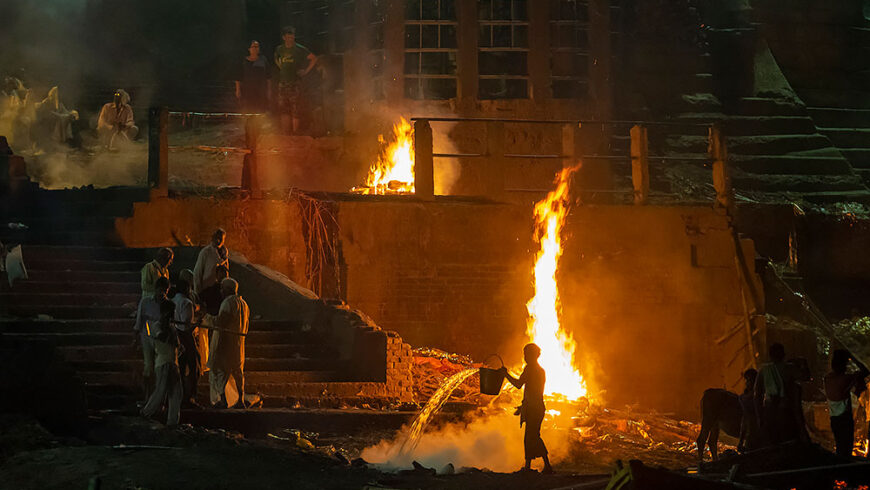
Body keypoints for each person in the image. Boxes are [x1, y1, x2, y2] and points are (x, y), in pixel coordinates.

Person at [500, 343, 553, 474]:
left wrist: (505, 374)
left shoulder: (530, 369)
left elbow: (518, 384)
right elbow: (534, 392)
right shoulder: (540, 370)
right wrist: (523, 406)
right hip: (537, 407)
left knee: (532, 436)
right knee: (532, 436)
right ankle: (534, 466)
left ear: (532, 355)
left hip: (534, 408)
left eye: (526, 354)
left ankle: (543, 466)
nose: (524, 357)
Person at [140, 277, 182, 426]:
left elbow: (177, 345)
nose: (169, 315)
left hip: (173, 362)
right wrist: (170, 333)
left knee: (176, 393)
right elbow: (161, 338)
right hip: (163, 362)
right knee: (160, 391)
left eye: (171, 313)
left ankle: (172, 422)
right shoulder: (157, 326)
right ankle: (146, 412)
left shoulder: (171, 327)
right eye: (168, 313)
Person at [208, 278, 250, 409]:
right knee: (238, 372)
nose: (221, 291)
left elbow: (222, 322)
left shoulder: (228, 302)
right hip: (239, 343)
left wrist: (207, 317)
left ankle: (223, 400)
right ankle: (241, 400)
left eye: (222, 289)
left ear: (227, 290)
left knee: (221, 371)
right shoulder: (244, 304)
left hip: (227, 342)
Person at [754, 343, 802, 445]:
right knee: (789, 440)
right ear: (784, 354)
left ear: (770, 356)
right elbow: (805, 377)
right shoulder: (790, 368)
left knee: (772, 441)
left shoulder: (764, 370)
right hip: (786, 410)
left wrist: (759, 416)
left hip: (770, 410)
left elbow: (757, 395)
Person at [825, 349, 869, 457]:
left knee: (840, 446)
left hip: (834, 418)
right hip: (844, 418)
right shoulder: (846, 379)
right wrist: (852, 357)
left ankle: (840, 468)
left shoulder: (827, 378)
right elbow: (865, 371)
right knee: (846, 448)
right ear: (844, 364)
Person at [274, 26, 316, 135]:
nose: (290, 39)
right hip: (283, 82)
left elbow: (313, 58)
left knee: (295, 108)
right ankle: (285, 132)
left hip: (295, 82)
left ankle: (295, 133)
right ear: (284, 38)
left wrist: (306, 71)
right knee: (283, 107)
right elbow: (276, 59)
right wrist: (281, 67)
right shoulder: (280, 49)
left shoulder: (299, 49)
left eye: (292, 37)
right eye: (288, 37)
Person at [133, 277, 169, 403]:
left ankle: (157, 399)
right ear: (155, 289)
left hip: (160, 340)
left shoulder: (168, 305)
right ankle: (147, 397)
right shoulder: (146, 302)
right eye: (160, 290)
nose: (162, 293)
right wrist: (136, 338)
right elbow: (139, 322)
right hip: (147, 337)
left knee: (159, 368)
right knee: (148, 366)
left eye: (164, 290)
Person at [172, 279, 201, 408]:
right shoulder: (187, 303)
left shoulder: (172, 301)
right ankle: (190, 397)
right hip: (186, 337)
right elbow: (186, 326)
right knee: (195, 366)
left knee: (181, 368)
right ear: (186, 289)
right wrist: (197, 324)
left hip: (175, 335)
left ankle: (181, 396)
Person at [234, 41, 272, 113]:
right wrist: (238, 90)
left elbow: (268, 77)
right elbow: (238, 76)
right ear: (249, 48)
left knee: (260, 110)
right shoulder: (244, 61)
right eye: (253, 47)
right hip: (247, 91)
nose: (256, 48)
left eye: (257, 47)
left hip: (260, 91)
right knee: (248, 110)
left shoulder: (263, 60)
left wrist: (269, 91)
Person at [193, 229, 229, 297]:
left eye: (220, 238)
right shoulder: (206, 252)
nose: (218, 240)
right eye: (216, 237)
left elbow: (226, 272)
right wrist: (198, 293)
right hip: (207, 290)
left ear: (223, 240)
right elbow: (197, 273)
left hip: (220, 292)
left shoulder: (224, 254)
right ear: (213, 238)